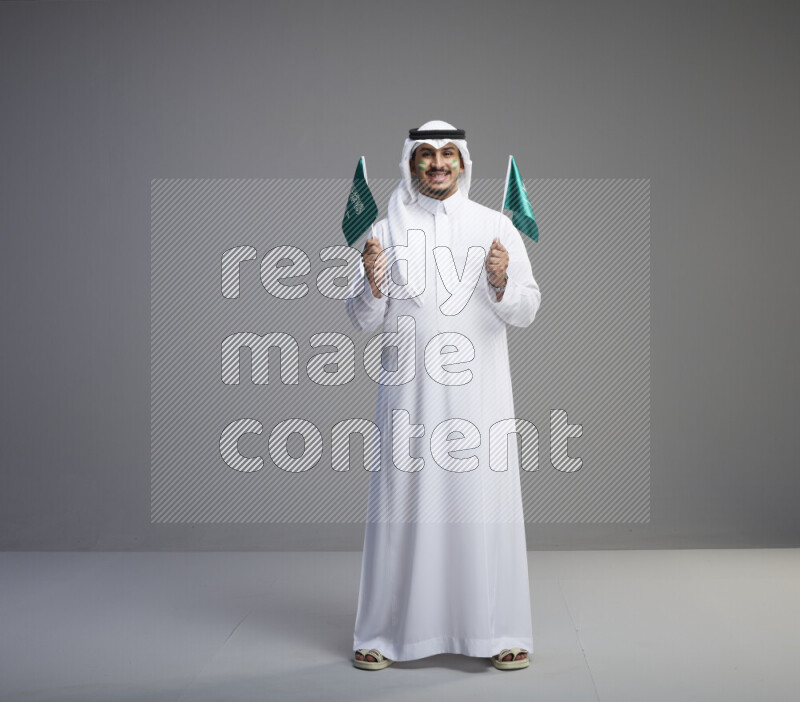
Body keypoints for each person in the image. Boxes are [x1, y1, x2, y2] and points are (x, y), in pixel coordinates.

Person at [345, 120, 541, 671]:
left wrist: (503, 280)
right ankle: (384, 634)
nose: (437, 163)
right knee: (402, 507)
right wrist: (372, 282)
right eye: (425, 154)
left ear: (463, 163)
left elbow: (526, 310)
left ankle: (499, 630)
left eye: (448, 154)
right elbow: (361, 319)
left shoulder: (495, 225)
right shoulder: (384, 229)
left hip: (480, 398)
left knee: (484, 504)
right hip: (408, 397)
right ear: (410, 164)